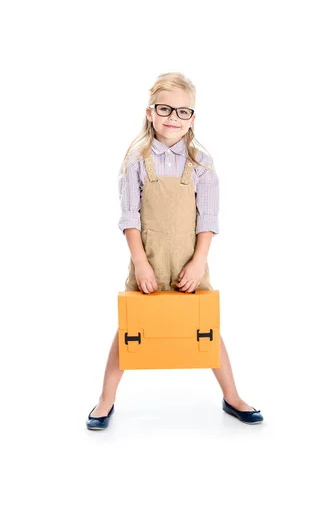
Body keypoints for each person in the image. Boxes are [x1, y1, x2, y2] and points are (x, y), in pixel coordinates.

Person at [86, 72, 263, 429]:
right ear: (150, 112)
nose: (173, 117)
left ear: (193, 118)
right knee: (130, 327)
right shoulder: (136, 159)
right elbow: (129, 217)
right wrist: (141, 263)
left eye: (183, 112)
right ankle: (105, 400)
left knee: (206, 326)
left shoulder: (201, 161)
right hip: (148, 260)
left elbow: (208, 218)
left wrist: (199, 262)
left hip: (190, 262)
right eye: (165, 108)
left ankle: (232, 396)